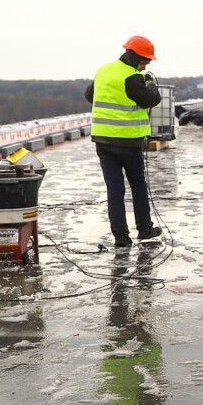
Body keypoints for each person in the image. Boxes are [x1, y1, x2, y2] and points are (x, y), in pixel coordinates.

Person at [85, 36, 163, 247]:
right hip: (128, 142)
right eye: (145, 61)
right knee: (138, 184)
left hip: (103, 141)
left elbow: (89, 96)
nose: (146, 65)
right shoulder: (132, 78)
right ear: (135, 56)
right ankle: (144, 229)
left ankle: (121, 237)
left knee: (114, 189)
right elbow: (152, 100)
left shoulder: (103, 71)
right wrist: (151, 86)